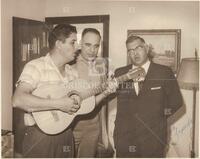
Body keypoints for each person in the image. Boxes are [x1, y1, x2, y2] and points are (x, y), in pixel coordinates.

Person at [12, 24, 81, 158]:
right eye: (73, 42)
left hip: (66, 135)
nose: (77, 47)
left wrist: (105, 92)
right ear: (59, 44)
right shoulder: (35, 66)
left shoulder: (72, 73)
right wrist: (59, 104)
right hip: (40, 137)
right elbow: (17, 100)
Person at [113, 35, 183, 157]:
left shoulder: (164, 72)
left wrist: (159, 116)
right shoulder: (120, 73)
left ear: (146, 48)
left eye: (138, 48)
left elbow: (177, 102)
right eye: (130, 50)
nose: (135, 53)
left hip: (153, 139)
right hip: (125, 140)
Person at [72, 28, 113, 157]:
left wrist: (110, 88)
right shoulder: (69, 63)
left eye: (96, 46)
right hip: (70, 126)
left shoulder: (101, 65)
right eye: (88, 45)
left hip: (93, 127)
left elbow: (103, 93)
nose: (92, 50)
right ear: (80, 43)